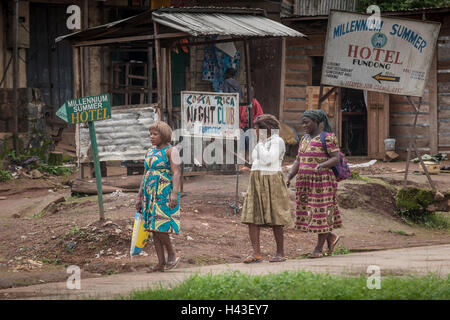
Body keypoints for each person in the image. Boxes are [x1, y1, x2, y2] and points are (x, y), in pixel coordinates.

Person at [285, 110, 342, 258]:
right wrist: (289, 175)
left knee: (321, 213)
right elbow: (298, 160)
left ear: (316, 122)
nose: (303, 125)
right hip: (304, 183)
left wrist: (322, 165)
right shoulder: (304, 139)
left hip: (322, 182)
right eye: (302, 122)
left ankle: (318, 249)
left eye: (307, 122)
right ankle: (330, 237)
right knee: (313, 214)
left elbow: (336, 158)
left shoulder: (328, 138)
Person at [241, 114, 293, 263]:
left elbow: (270, 160)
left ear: (266, 130)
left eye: (257, 129)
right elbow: (258, 160)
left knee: (276, 216)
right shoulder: (262, 143)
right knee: (252, 216)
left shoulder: (277, 141)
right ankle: (256, 253)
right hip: (256, 180)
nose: (255, 132)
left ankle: (280, 253)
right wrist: (251, 167)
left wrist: (260, 144)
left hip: (272, 180)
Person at [135, 121, 181, 272]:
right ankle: (160, 262)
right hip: (149, 194)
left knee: (160, 226)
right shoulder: (149, 151)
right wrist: (139, 196)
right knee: (152, 228)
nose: (152, 137)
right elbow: (145, 173)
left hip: (163, 192)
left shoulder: (171, 150)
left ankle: (172, 254)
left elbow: (176, 172)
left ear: (164, 135)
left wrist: (174, 193)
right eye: (150, 134)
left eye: (155, 134)